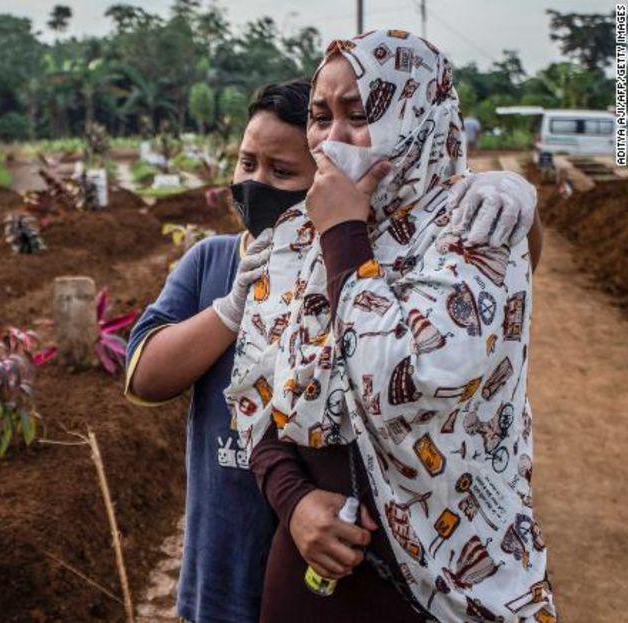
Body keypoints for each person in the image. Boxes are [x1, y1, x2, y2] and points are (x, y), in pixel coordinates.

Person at [125, 78, 538, 621]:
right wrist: (231, 310)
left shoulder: (368, 270)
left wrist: (520, 202)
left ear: (328, 173)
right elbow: (144, 379)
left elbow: (495, 286)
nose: (255, 182)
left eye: (281, 172)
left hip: (329, 581)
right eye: (246, 163)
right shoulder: (212, 261)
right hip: (223, 573)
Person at [227, 30, 556, 622]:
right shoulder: (294, 239)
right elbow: (257, 392)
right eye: (321, 117)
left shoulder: (475, 225)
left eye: (360, 115)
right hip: (312, 571)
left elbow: (402, 384)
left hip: (446, 575)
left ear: (419, 116)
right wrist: (294, 502)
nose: (332, 139)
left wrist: (344, 237)